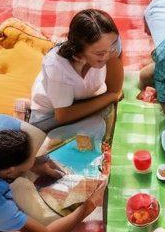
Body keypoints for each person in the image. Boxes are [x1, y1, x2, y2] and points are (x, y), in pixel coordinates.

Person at [28, 8, 124, 144]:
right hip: (51, 116)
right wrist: (111, 96)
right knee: (98, 128)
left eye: (112, 46)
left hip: (88, 100)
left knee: (113, 124)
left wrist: (112, 95)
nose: (109, 55)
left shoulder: (111, 45)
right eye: (100, 54)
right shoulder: (57, 67)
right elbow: (63, 115)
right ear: (79, 51)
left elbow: (114, 90)